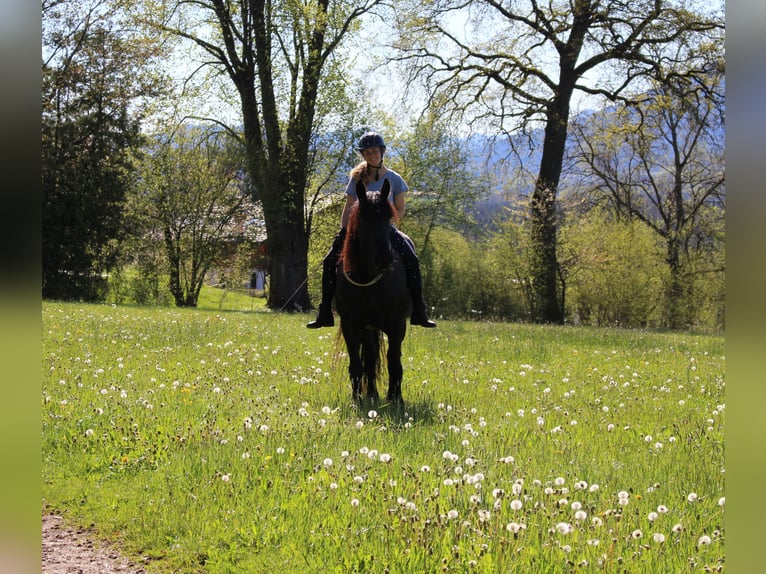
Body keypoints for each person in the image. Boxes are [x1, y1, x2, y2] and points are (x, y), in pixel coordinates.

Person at [307, 131, 436, 329]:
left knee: (411, 257)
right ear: (364, 155)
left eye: (374, 151)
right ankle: (325, 311)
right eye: (367, 152)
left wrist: (383, 221)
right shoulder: (357, 178)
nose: (371, 155)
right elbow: (349, 207)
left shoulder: (394, 179)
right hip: (358, 231)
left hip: (385, 229)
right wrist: (344, 231)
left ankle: (419, 310)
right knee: (329, 260)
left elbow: (400, 209)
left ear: (382, 152)